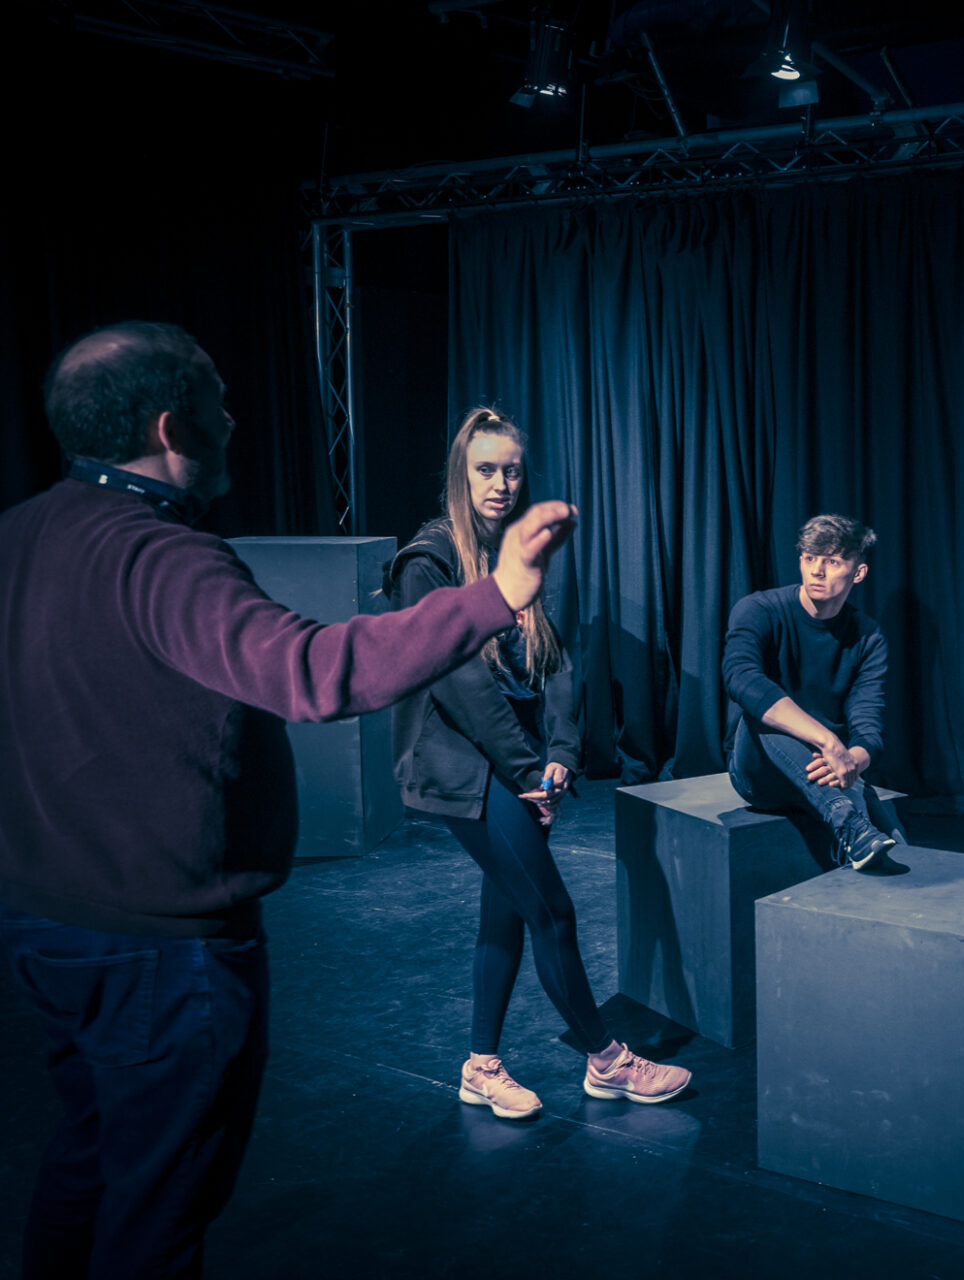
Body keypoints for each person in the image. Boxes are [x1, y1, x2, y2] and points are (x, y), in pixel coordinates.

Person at [0, 322, 579, 1279]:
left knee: (91, 1156)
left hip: (41, 927)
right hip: (160, 949)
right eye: (219, 401)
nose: (236, 419)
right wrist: (497, 594)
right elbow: (315, 671)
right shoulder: (162, 558)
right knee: (157, 1205)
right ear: (172, 423)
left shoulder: (19, 535)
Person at [388, 407, 690, 1121]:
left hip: (521, 763)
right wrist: (527, 770)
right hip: (467, 766)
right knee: (552, 911)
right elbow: (458, 684)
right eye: (486, 469)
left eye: (512, 469)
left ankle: (481, 1065)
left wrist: (558, 754)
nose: (501, 483)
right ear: (462, 474)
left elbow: (555, 660)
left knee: (512, 913)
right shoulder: (428, 561)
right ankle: (607, 1061)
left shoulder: (520, 548)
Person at [721, 514, 899, 870]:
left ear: (858, 572)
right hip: (760, 770)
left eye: (832, 561)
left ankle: (852, 826)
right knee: (764, 706)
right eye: (809, 557)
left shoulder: (868, 636)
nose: (818, 570)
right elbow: (740, 678)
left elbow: (868, 725)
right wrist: (828, 741)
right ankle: (846, 822)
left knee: (900, 847)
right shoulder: (759, 609)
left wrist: (852, 761)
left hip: (828, 771)